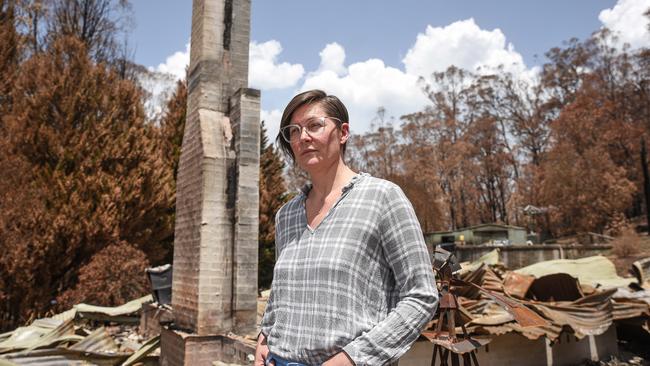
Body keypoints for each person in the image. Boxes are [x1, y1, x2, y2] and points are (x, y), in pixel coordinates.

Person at [255, 90, 438, 366]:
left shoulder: (383, 198)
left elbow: (421, 295)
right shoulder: (286, 215)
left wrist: (353, 358)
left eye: (315, 125)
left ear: (343, 133)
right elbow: (281, 292)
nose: (303, 137)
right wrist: (263, 338)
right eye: (293, 131)